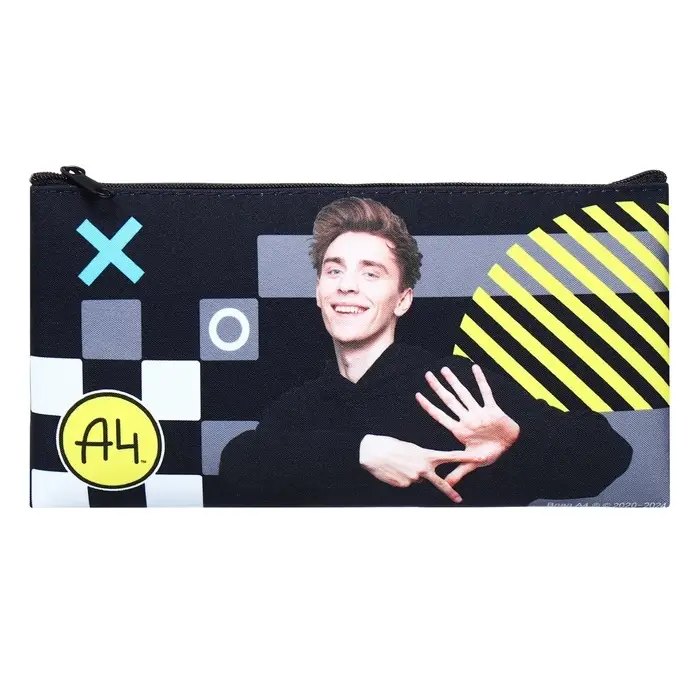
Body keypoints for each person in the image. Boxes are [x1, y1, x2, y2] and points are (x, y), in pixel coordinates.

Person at [219, 197, 632, 506]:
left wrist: (518, 437)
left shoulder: (455, 386)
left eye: (371, 273)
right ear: (319, 292)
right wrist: (362, 452)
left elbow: (608, 455)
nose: (347, 285)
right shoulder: (298, 407)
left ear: (402, 300)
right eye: (334, 270)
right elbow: (238, 468)